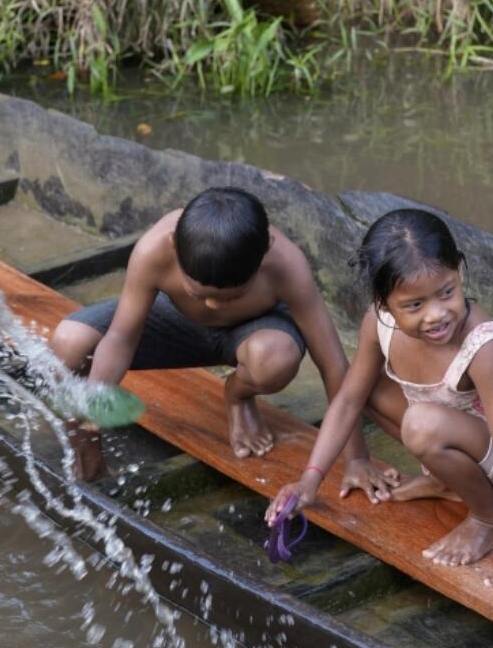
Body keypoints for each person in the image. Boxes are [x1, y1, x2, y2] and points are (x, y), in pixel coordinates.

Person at [265, 208, 493, 615]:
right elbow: (349, 400)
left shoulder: (483, 344)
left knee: (421, 424)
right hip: (456, 437)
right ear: (383, 303)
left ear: (460, 272)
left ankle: (486, 517)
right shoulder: (379, 322)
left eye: (447, 292)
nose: (436, 314)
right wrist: (308, 481)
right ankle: (448, 482)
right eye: (415, 304)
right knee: (363, 387)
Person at [49, 186, 390, 494]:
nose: (212, 306)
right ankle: (86, 454)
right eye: (199, 293)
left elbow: (332, 364)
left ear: (264, 252)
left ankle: (238, 396)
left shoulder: (286, 264)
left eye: (229, 296)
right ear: (174, 246)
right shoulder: (154, 247)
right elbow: (122, 337)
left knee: (275, 357)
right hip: (175, 326)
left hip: (251, 335)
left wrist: (356, 458)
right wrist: (93, 406)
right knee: (69, 342)